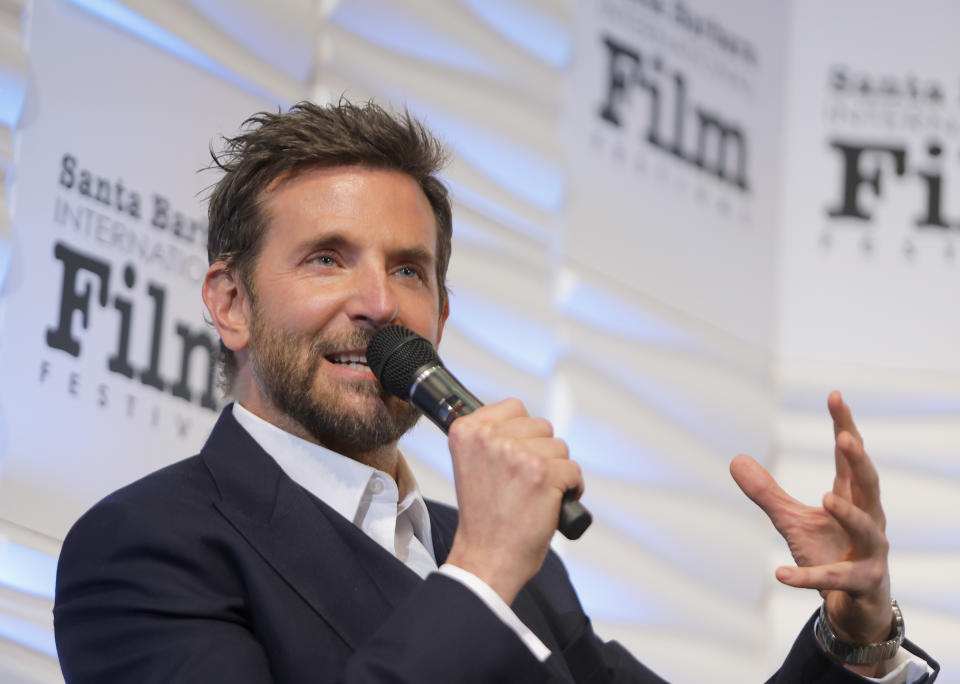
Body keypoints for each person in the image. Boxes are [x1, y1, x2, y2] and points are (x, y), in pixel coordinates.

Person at [53, 101, 939, 683]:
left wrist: (855, 634)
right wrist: (478, 576)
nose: (375, 303)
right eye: (327, 258)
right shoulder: (145, 548)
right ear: (231, 302)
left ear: (439, 314)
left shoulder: (522, 568)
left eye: (409, 270)